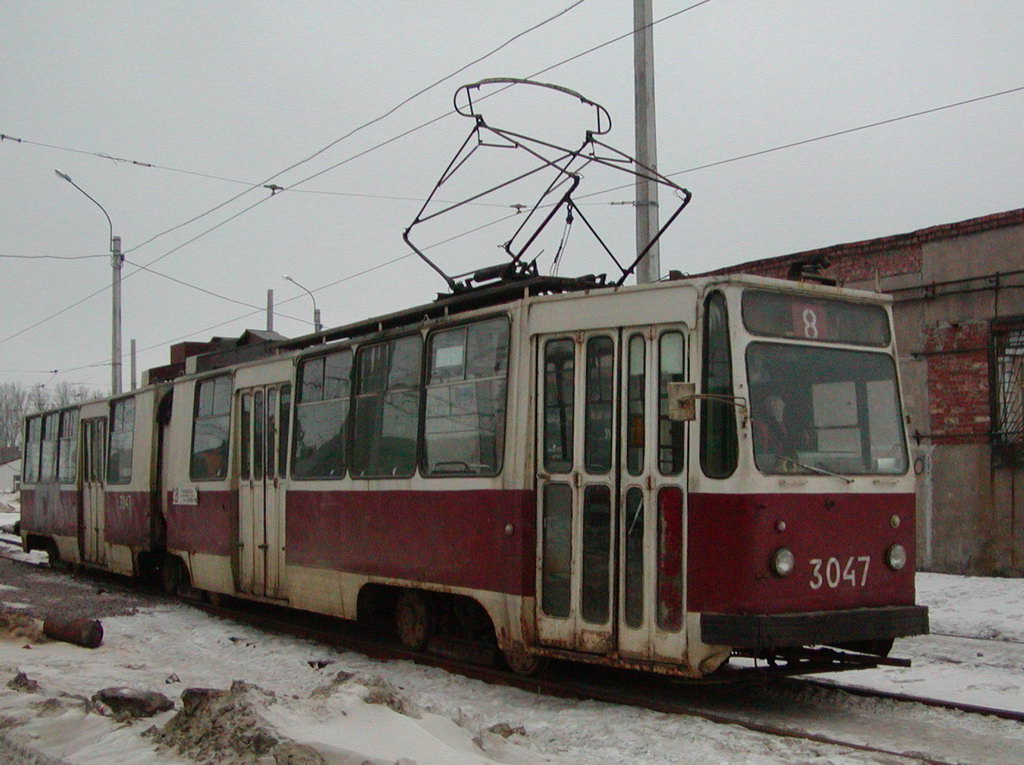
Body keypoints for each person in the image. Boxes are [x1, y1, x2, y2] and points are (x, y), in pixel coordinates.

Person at [753, 394, 793, 467]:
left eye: (775, 401)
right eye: (769, 402)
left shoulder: (791, 426)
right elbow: (761, 453)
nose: (772, 404)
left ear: (783, 405)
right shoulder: (758, 426)